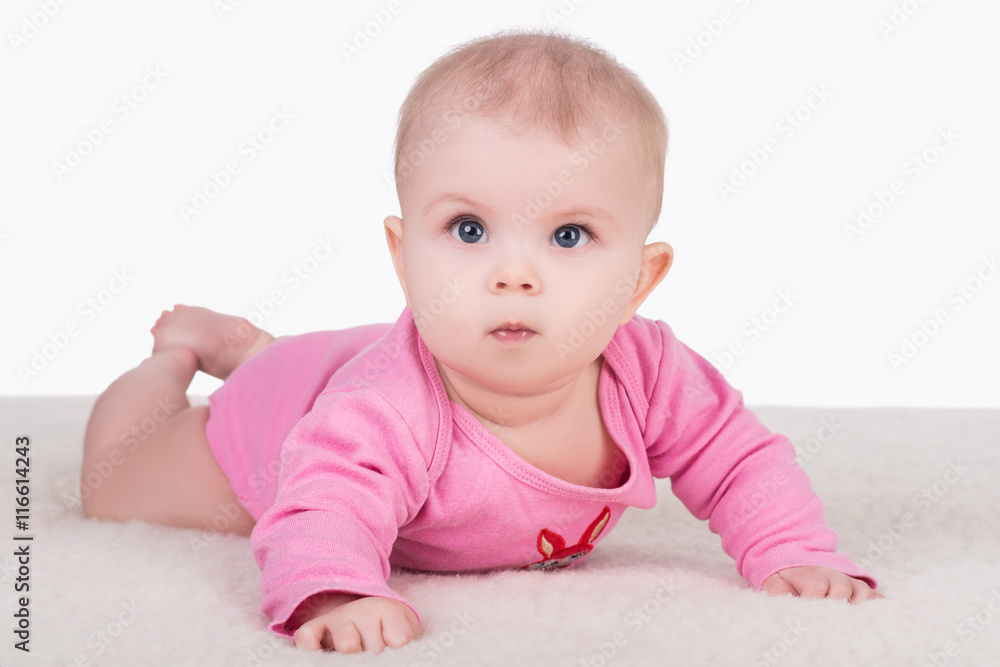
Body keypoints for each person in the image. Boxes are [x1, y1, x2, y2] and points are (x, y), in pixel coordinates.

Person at [81, 29, 880, 655]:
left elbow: (740, 457)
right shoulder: (383, 409)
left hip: (338, 369)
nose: (513, 274)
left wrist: (790, 550)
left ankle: (256, 347)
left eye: (569, 234)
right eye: (469, 229)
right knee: (115, 479)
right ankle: (183, 355)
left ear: (641, 277)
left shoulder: (652, 371)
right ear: (403, 257)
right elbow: (321, 505)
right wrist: (338, 589)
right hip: (273, 429)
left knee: (330, 377)